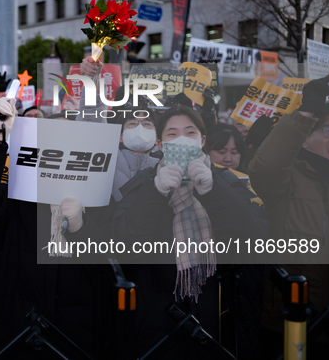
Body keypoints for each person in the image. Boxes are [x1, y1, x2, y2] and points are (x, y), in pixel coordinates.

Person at [111, 104, 267, 359]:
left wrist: (213, 190)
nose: (181, 139)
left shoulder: (231, 181)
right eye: (172, 134)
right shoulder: (142, 186)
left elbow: (252, 239)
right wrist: (155, 192)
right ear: (160, 144)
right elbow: (124, 243)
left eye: (190, 132)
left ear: (202, 140)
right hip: (156, 318)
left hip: (219, 313)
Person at [0, 97, 101, 359]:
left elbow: (108, 262)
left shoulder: (100, 196)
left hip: (76, 328)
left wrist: (82, 228)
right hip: (21, 322)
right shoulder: (22, 195)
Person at [249, 76, 329, 357]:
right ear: (306, 138)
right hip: (291, 320)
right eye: (328, 130)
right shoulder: (287, 179)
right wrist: (306, 112)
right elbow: (266, 166)